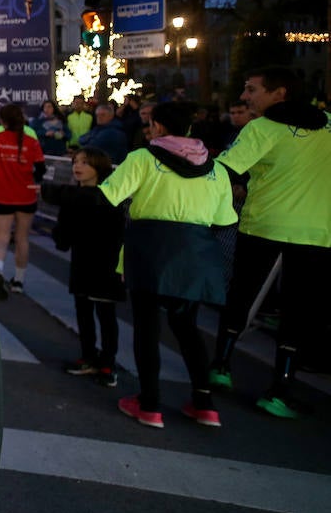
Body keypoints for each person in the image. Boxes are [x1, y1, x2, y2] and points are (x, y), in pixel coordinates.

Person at [100, 101, 235, 429]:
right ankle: (204, 404)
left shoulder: (142, 158)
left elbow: (108, 198)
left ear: (157, 127)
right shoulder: (216, 168)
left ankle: (149, 404)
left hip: (150, 251)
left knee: (147, 329)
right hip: (195, 254)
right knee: (187, 328)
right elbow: (224, 219)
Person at [208, 67, 331, 419]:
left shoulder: (261, 128)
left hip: (264, 226)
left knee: (242, 296)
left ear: (280, 93)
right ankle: (280, 390)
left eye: (251, 89)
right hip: (318, 232)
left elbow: (224, 172)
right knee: (298, 311)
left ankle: (220, 367)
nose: (245, 97)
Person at [53, 147, 127, 388]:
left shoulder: (109, 197)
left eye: (85, 162)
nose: (78, 166)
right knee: (83, 310)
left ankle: (108, 362)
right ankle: (88, 357)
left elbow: (118, 233)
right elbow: (63, 231)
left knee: (105, 314)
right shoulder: (73, 195)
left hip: (105, 263)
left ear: (99, 167)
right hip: (81, 261)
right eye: (76, 161)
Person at [0, 102, 45, 299]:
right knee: (22, 238)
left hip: (2, 194)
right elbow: (41, 168)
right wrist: (36, 182)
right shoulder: (31, 141)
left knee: (1, 238)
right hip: (26, 195)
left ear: (2, 120)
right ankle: (18, 281)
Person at [78, 99, 128, 164]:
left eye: (103, 115)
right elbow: (81, 139)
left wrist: (89, 139)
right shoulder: (98, 128)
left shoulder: (114, 132)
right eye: (97, 115)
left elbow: (91, 146)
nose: (99, 117)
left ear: (111, 115)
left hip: (111, 168)